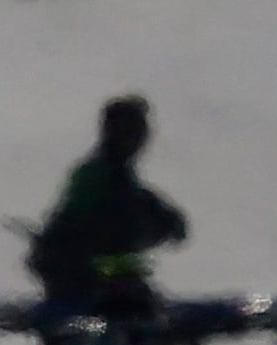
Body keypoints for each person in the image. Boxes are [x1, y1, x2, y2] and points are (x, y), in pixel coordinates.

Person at [27, 93, 187, 314]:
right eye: (133, 128)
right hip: (88, 280)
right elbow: (109, 227)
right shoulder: (103, 177)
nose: (141, 137)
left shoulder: (115, 178)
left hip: (92, 278)